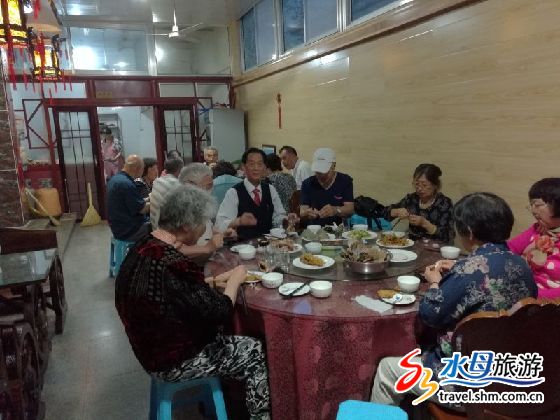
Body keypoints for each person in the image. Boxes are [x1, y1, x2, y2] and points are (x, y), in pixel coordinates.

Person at [115, 185, 270, 420]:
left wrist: (212, 281)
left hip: (148, 350)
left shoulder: (143, 246)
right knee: (255, 350)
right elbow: (220, 311)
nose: (205, 228)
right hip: (172, 361)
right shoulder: (174, 263)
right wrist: (235, 280)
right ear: (186, 226)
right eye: (203, 222)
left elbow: (177, 292)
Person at [371, 192, 537, 408]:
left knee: (387, 368)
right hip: (510, 372)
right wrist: (460, 267)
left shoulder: (469, 270)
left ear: (469, 232)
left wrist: (434, 282)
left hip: (466, 384)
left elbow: (430, 315)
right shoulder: (521, 264)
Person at [215, 148, 297, 240]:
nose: (256, 168)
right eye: (251, 164)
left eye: (260, 164)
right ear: (243, 167)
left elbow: (278, 216)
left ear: (265, 167)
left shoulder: (270, 189)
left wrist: (286, 219)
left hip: (268, 243)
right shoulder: (234, 192)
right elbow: (221, 223)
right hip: (242, 245)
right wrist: (239, 221)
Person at [508, 178, 560, 299]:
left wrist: (533, 296)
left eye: (537, 205)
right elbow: (509, 248)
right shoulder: (537, 229)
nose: (533, 210)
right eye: (531, 205)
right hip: (526, 289)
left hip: (550, 301)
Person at [383, 164, 454, 243]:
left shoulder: (444, 203)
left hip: (436, 248)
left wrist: (425, 224)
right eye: (417, 184)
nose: (419, 188)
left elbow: (449, 236)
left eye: (424, 185)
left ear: (435, 185)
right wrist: (395, 212)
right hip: (412, 246)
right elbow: (384, 213)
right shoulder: (412, 199)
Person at [300, 148, 354, 226]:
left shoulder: (345, 181)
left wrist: (335, 210)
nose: (321, 176)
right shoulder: (307, 183)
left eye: (324, 172)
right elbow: (302, 211)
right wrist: (307, 213)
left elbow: (350, 209)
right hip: (314, 228)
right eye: (318, 172)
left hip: (338, 228)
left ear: (334, 166)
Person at [178, 163, 225, 250]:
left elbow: (207, 231)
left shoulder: (200, 205)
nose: (210, 190)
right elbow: (172, 249)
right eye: (207, 186)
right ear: (189, 185)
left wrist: (221, 234)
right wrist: (207, 248)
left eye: (211, 185)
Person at [107, 155, 151, 241]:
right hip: (129, 231)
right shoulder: (126, 184)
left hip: (119, 228)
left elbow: (133, 202)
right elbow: (142, 209)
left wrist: (149, 198)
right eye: (143, 169)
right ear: (137, 169)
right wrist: (159, 201)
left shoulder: (116, 179)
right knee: (162, 228)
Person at [150, 157, 184, 229]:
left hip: (154, 226)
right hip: (164, 230)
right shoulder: (177, 185)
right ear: (180, 170)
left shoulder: (157, 181)